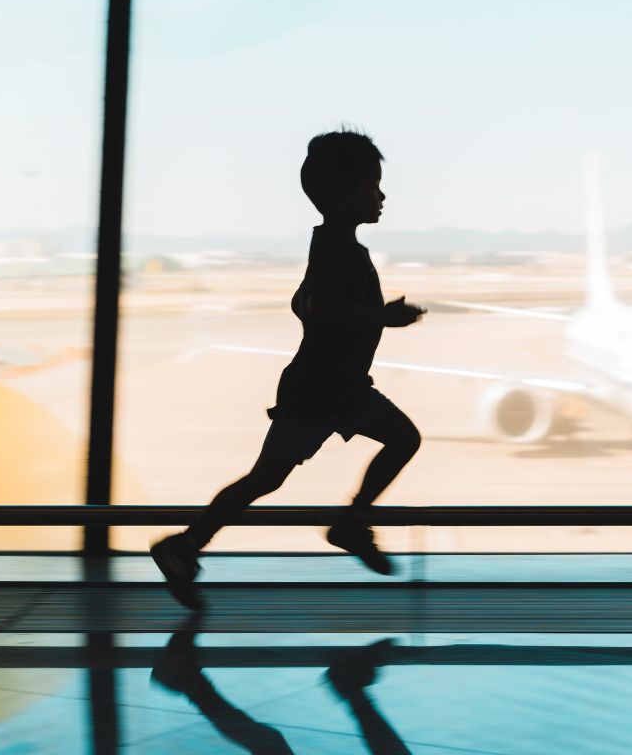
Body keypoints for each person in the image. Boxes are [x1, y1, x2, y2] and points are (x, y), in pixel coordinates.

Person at [151, 128, 426, 610]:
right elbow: (319, 306)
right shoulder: (336, 248)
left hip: (340, 389)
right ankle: (187, 546)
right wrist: (382, 316)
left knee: (388, 443)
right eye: (372, 185)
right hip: (320, 393)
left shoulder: (338, 246)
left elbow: (307, 302)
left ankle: (348, 524)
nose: (381, 195)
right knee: (267, 478)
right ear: (342, 195)